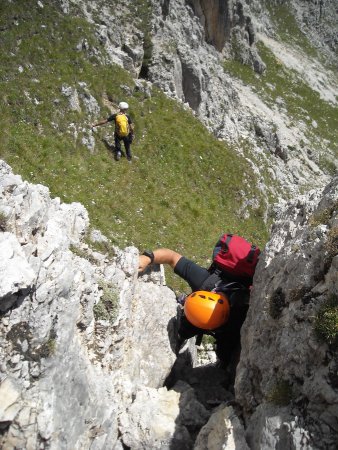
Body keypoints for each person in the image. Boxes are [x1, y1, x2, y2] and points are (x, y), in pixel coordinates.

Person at [138, 248, 251, 367]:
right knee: (181, 331)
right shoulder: (202, 281)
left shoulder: (241, 314)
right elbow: (171, 257)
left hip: (229, 327)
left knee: (225, 355)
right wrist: (147, 258)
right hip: (213, 320)